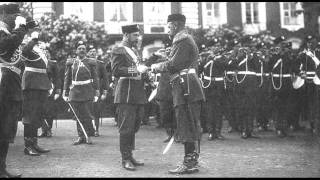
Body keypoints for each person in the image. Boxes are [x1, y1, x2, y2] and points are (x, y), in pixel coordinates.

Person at [151, 14, 205, 174]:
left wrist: (155, 66)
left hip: (185, 86)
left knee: (186, 123)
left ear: (175, 25)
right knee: (188, 122)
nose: (168, 30)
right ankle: (192, 159)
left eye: (168, 27)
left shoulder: (181, 40)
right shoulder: (186, 40)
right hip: (185, 85)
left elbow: (174, 65)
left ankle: (189, 163)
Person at [111, 24, 148, 171]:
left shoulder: (133, 51)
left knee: (135, 125)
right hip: (126, 92)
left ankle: (130, 154)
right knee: (126, 127)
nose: (137, 38)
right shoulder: (119, 49)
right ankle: (125, 158)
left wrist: (144, 71)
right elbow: (116, 70)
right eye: (135, 35)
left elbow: (138, 70)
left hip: (137, 92)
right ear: (126, 35)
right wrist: (135, 70)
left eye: (137, 35)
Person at [0, 3, 29, 178]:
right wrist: (21, 28)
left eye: (18, 15)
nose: (16, 18)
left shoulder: (11, 32)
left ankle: (1, 168)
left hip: (10, 87)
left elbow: (17, 58)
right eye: (13, 15)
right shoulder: (2, 31)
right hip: (2, 85)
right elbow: (6, 46)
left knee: (6, 130)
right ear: (3, 14)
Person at [21, 31, 61, 156]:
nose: (42, 41)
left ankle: (34, 143)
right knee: (30, 116)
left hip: (41, 85)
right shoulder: (28, 48)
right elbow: (24, 52)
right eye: (39, 39)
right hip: (31, 85)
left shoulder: (40, 51)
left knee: (37, 115)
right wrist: (33, 39)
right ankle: (28, 146)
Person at [62, 41, 99, 145]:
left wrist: (96, 92)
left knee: (87, 115)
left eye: (83, 48)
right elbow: (67, 78)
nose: (82, 50)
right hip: (75, 91)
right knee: (78, 115)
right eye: (80, 49)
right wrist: (65, 92)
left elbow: (95, 78)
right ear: (76, 51)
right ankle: (80, 136)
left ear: (86, 51)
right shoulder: (71, 62)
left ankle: (89, 136)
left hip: (87, 90)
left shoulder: (91, 62)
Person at [87, 45, 108, 137]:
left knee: (96, 111)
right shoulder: (83, 63)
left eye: (94, 51)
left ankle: (96, 129)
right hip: (86, 89)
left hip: (96, 90)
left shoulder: (100, 64)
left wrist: (104, 92)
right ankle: (88, 129)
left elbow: (106, 79)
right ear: (87, 53)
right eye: (90, 51)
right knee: (87, 110)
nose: (92, 53)